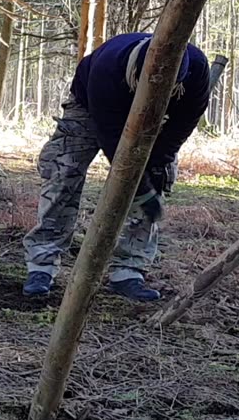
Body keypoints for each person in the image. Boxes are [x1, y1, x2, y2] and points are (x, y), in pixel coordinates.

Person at [22, 32, 210, 301]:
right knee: (63, 172)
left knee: (157, 176)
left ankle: (128, 270)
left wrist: (152, 176)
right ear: (137, 73)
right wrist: (141, 188)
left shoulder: (197, 70)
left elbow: (180, 128)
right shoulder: (108, 68)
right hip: (91, 108)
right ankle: (42, 263)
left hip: (158, 118)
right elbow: (115, 147)